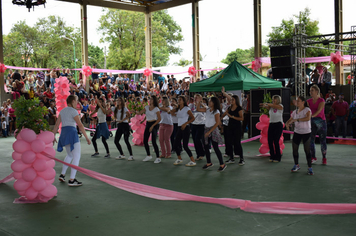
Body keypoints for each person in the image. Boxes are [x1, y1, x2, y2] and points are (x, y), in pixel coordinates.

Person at [52, 95, 91, 186]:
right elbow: (80, 125)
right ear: (73, 101)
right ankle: (72, 180)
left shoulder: (62, 111)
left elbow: (56, 125)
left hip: (64, 134)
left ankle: (62, 174)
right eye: (77, 101)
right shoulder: (73, 111)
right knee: (76, 156)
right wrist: (87, 137)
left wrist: (53, 135)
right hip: (72, 133)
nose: (77, 103)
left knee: (70, 155)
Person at [195, 97, 227, 172]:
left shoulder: (217, 111)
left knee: (215, 148)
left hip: (213, 130)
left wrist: (209, 132)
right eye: (209, 101)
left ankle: (222, 164)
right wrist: (199, 102)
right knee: (206, 147)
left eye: (210, 101)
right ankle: (209, 162)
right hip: (206, 129)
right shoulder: (208, 109)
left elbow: (217, 123)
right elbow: (198, 109)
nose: (209, 102)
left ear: (214, 103)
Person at [286, 96, 313, 175]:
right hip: (297, 132)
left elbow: (308, 118)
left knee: (307, 150)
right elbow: (290, 119)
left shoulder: (307, 110)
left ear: (303, 102)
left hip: (306, 132)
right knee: (294, 149)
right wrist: (287, 123)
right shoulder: (294, 112)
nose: (297, 102)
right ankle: (296, 165)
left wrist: (296, 120)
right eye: (296, 101)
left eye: (298, 101)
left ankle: (309, 167)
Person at [171, 95, 196, 167]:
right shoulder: (178, 108)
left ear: (183, 101)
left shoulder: (186, 108)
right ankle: (179, 158)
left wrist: (185, 124)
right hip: (179, 128)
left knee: (185, 146)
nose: (179, 101)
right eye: (178, 99)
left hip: (186, 128)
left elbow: (192, 118)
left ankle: (192, 160)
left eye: (180, 99)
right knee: (175, 144)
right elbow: (171, 112)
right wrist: (172, 111)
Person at [221, 87, 244, 165]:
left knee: (237, 143)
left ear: (236, 101)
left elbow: (242, 118)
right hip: (230, 127)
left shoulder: (239, 108)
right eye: (231, 100)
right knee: (229, 142)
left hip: (237, 127)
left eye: (232, 100)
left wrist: (233, 117)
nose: (231, 101)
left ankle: (241, 158)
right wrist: (219, 120)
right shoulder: (230, 107)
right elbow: (224, 114)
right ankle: (231, 158)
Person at [136, 95, 161, 163]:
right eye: (150, 99)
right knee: (145, 141)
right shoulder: (146, 107)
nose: (150, 100)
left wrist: (152, 126)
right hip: (148, 124)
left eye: (152, 99)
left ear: (154, 100)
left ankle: (158, 157)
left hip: (154, 124)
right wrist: (135, 110)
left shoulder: (156, 109)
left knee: (153, 141)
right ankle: (148, 155)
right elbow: (140, 112)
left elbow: (159, 119)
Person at [307, 85, 327, 165]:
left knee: (323, 141)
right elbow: (305, 110)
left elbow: (319, 110)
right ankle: (313, 157)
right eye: (310, 90)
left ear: (317, 92)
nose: (310, 92)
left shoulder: (321, 100)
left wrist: (311, 116)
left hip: (321, 122)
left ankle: (324, 157)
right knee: (311, 140)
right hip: (311, 121)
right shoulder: (308, 101)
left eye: (312, 90)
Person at [260, 95, 284, 162]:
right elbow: (268, 107)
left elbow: (275, 106)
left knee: (276, 141)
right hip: (271, 124)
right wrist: (264, 105)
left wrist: (268, 104)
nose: (273, 100)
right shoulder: (271, 107)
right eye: (273, 99)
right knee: (270, 141)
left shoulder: (280, 106)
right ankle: (272, 156)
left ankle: (278, 157)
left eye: (274, 99)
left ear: (278, 100)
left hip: (278, 124)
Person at [189, 94, 206, 161]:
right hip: (193, 124)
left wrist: (200, 103)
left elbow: (205, 109)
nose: (196, 99)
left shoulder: (204, 105)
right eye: (195, 97)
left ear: (201, 99)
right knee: (194, 140)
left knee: (197, 139)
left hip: (201, 124)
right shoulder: (191, 105)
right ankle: (198, 154)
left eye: (198, 98)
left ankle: (202, 152)